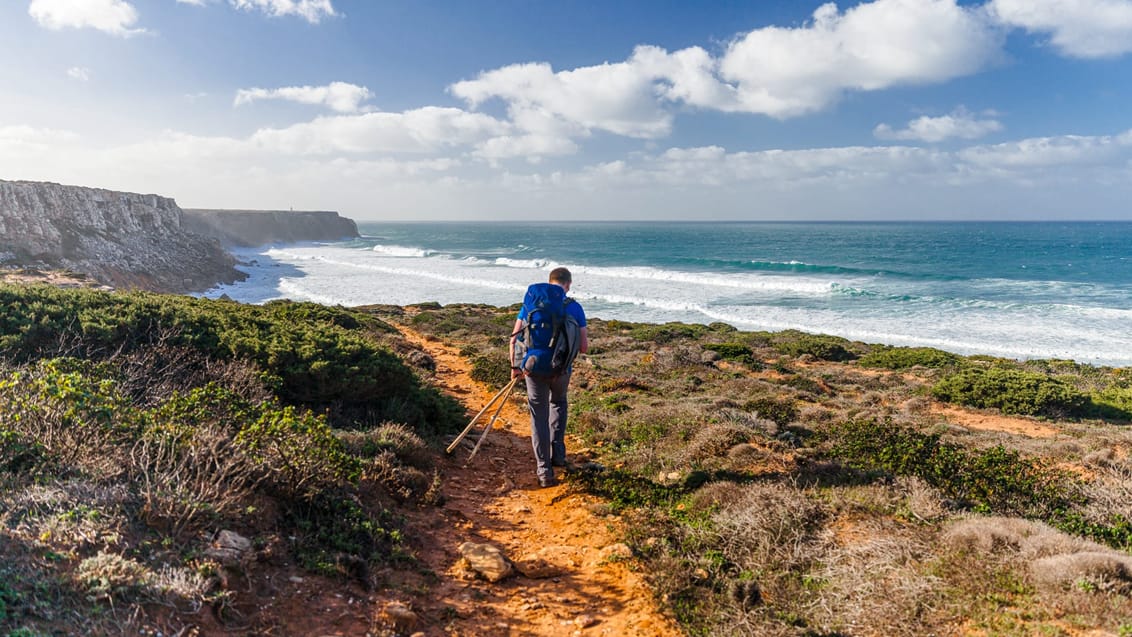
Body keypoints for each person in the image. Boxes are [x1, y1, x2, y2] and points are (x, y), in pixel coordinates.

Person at [510, 267, 588, 488]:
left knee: (538, 415)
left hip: (533, 368)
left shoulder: (530, 305)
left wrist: (515, 367)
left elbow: (514, 340)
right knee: (559, 403)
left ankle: (544, 471)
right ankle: (559, 456)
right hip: (561, 369)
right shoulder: (574, 307)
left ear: (549, 281)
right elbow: (583, 347)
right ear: (568, 284)